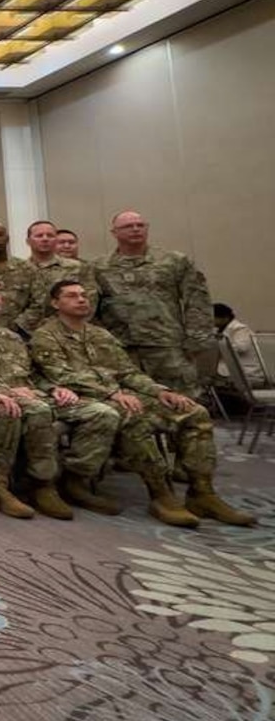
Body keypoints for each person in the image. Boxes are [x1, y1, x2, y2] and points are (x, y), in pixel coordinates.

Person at [29, 280, 252, 527]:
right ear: (55, 303)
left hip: (123, 393)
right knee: (133, 415)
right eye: (72, 296)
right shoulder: (45, 335)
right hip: (81, 398)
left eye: (83, 295)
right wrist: (112, 393)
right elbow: (61, 375)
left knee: (194, 412)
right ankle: (161, 494)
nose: (81, 300)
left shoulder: (100, 335)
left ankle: (202, 493)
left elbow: (127, 372)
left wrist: (160, 391)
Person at [0, 276, 73, 520]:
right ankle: (20, 484)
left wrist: (54, 388)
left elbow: (32, 373)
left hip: (28, 392)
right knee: (33, 410)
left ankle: (58, 482)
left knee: (90, 409)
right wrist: (7, 391)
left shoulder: (11, 337)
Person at [93, 210, 217, 397]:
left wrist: (197, 342)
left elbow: (197, 301)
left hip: (167, 347)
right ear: (114, 233)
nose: (136, 229)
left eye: (140, 225)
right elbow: (90, 308)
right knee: (133, 408)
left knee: (183, 404)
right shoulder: (98, 267)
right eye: (128, 226)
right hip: (122, 349)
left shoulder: (173, 261)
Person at [14, 219, 99, 337]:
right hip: (26, 334)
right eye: (39, 236)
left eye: (50, 235)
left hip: (69, 333)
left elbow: (90, 300)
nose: (45, 239)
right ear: (28, 241)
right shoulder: (17, 270)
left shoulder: (77, 268)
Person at [215, 303, 269, 387]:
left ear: (225, 317)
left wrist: (215, 348)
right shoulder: (222, 331)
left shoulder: (240, 329)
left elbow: (241, 347)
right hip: (231, 372)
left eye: (213, 317)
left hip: (248, 373)